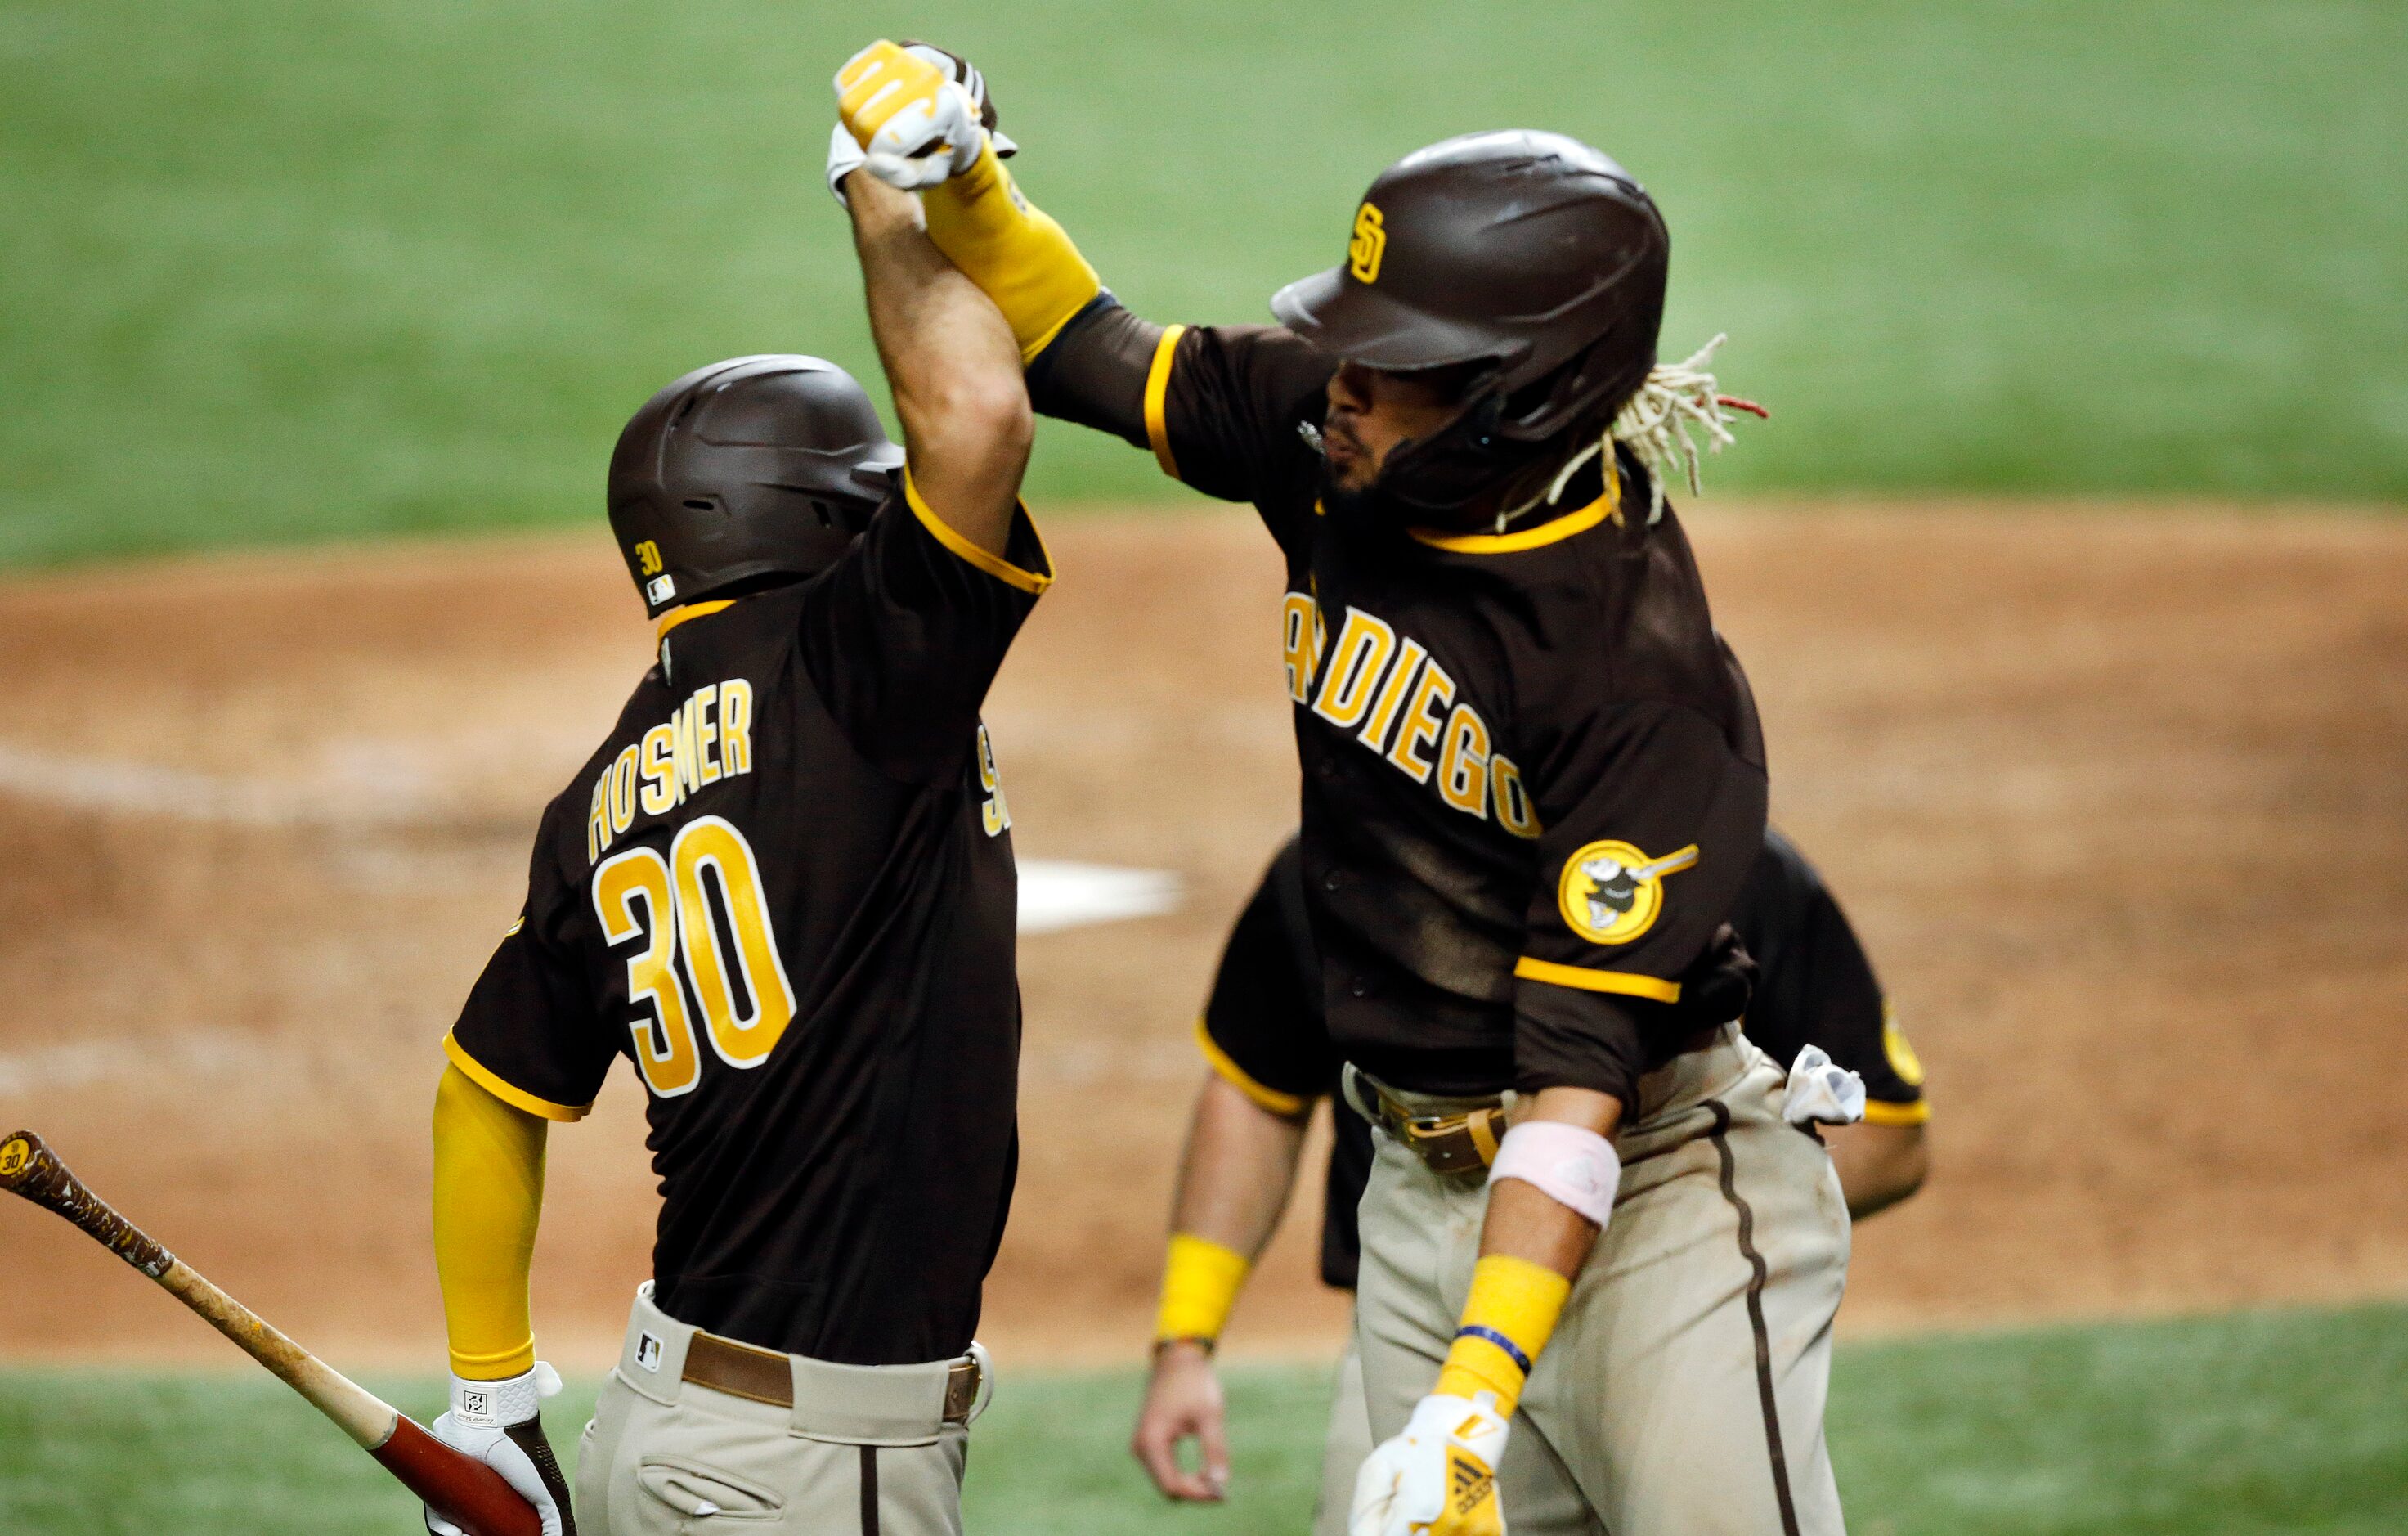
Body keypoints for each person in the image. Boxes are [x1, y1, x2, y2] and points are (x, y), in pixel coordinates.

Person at [835, 39, 1852, 1534]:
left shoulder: (1639, 679)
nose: (1349, 383)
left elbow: (1579, 1087)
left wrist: (1468, 1401)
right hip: (1418, 1200)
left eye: (1402, 365)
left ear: (1522, 396)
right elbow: (1089, 349)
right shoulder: (1340, 434)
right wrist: (965, 175)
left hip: (1650, 1218)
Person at [419, 126, 1049, 1535]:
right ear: (827, 513)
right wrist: (885, 177)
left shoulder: (598, 794)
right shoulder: (863, 670)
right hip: (809, 1467)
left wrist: (487, 1398)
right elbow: (985, 420)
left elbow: (486, 1086)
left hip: (671, 1435)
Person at [1132, 829, 1931, 1528]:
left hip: (1665, 1294)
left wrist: (1685, 1230)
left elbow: (1889, 1134)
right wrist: (1186, 1339)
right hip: (1421, 1323)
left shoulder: (1712, 864)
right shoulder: (1345, 866)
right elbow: (1254, 1091)